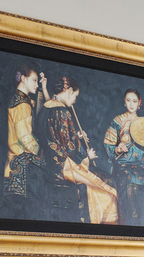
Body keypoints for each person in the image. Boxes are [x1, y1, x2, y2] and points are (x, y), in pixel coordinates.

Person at [38, 76, 119, 224]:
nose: (74, 100)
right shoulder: (63, 112)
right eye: (75, 96)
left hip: (49, 164)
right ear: (68, 91)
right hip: (64, 168)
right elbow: (69, 149)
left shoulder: (46, 108)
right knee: (109, 184)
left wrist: (76, 135)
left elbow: (54, 138)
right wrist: (86, 156)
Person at [103, 89, 144, 225]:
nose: (131, 104)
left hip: (140, 166)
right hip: (122, 165)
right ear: (124, 101)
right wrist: (117, 149)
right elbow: (108, 143)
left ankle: (142, 225)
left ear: (139, 102)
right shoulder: (117, 121)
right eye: (128, 100)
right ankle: (127, 224)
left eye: (134, 101)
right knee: (126, 183)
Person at [2, 63, 49, 210]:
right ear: (23, 78)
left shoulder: (25, 101)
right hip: (21, 163)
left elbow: (46, 108)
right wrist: (42, 152)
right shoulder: (22, 104)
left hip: (17, 161)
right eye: (34, 80)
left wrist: (44, 88)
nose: (36, 84)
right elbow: (25, 137)